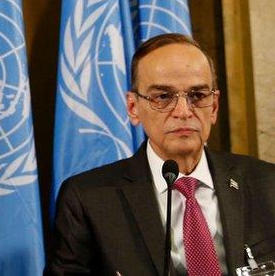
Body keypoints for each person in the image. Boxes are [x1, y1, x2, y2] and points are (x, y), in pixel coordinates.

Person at [49, 33, 275, 275]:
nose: (183, 111)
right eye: (163, 97)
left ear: (214, 107)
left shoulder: (267, 184)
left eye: (197, 96)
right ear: (133, 108)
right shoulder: (88, 199)